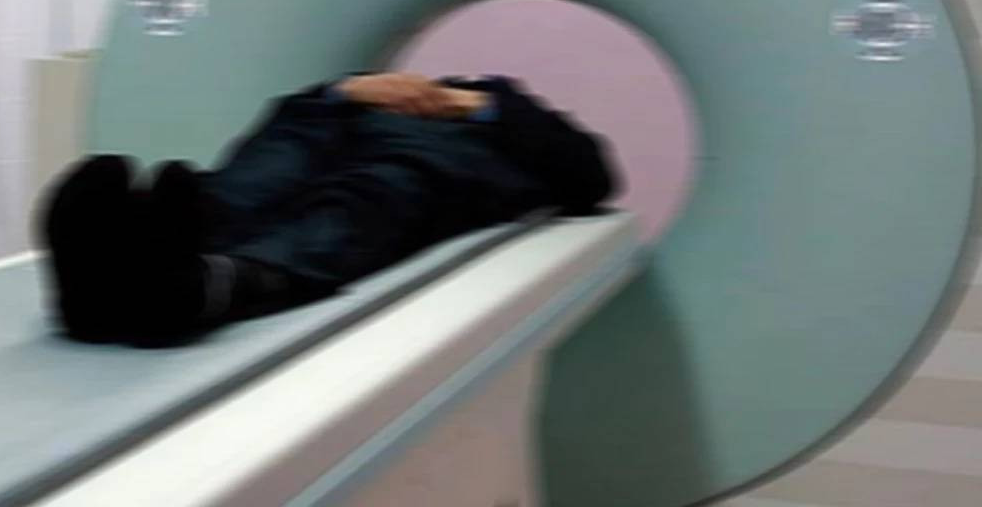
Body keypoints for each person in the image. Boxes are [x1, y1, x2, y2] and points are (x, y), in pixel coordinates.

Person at [36, 72, 619, 346]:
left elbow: (592, 177)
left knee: (373, 196)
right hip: (341, 122)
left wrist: (467, 104)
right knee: (260, 174)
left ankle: (206, 286)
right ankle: (113, 269)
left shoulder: (508, 108)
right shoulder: (374, 85)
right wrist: (345, 92)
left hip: (446, 153)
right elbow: (293, 113)